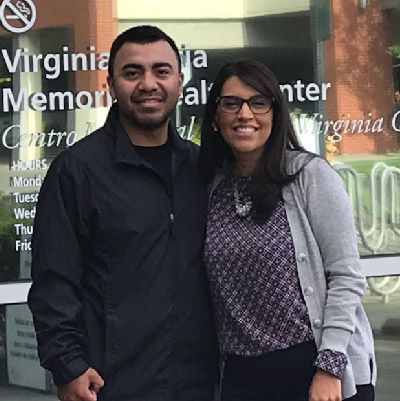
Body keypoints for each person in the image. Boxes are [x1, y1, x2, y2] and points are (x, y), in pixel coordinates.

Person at [28, 25, 219, 401]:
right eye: (133, 73)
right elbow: (54, 282)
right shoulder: (78, 170)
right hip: (110, 384)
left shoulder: (201, 169)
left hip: (198, 382)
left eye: (161, 71)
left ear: (180, 81)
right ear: (111, 85)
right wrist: (68, 367)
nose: (149, 84)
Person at [199, 59, 376, 401]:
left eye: (258, 103)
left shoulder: (309, 176)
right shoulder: (211, 187)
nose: (245, 115)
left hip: (317, 370)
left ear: (275, 113)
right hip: (241, 376)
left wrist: (329, 366)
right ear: (216, 116)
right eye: (231, 103)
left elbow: (346, 275)